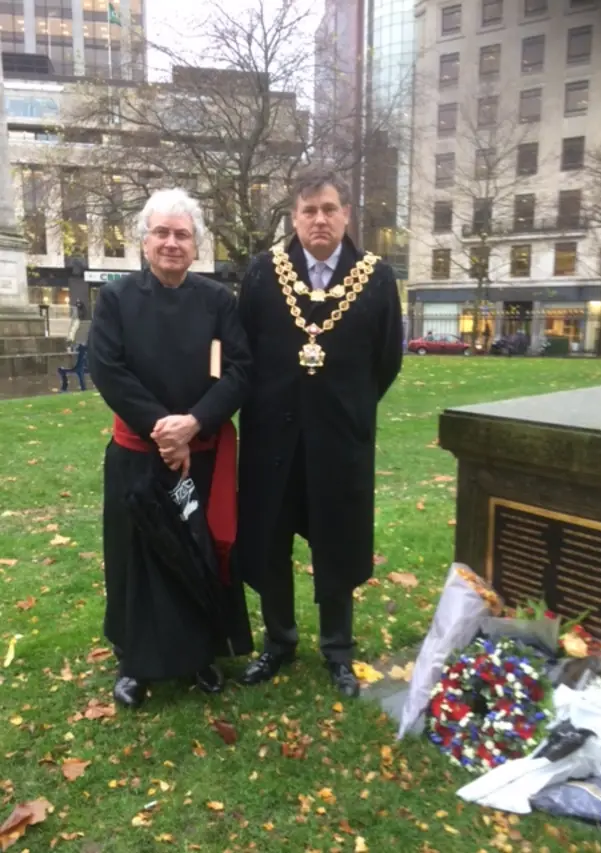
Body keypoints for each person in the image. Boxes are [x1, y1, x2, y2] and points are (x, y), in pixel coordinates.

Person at [237, 167, 403, 699]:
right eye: (309, 210)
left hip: (340, 440)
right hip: (272, 440)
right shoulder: (264, 273)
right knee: (269, 541)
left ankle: (337, 649)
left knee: (338, 540)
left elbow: (387, 360)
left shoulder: (375, 277)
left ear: (347, 214)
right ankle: (279, 642)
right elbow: (244, 352)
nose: (320, 219)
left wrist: (348, 407)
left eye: (330, 208)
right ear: (294, 217)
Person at [88, 188, 253, 708]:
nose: (172, 243)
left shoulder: (217, 302)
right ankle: (135, 661)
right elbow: (108, 369)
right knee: (136, 559)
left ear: (196, 243)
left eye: (182, 234)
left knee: (194, 553)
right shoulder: (115, 299)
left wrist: (195, 423)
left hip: (197, 455)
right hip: (138, 453)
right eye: (161, 232)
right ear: (144, 240)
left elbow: (241, 370)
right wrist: (165, 429)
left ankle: (200, 654)